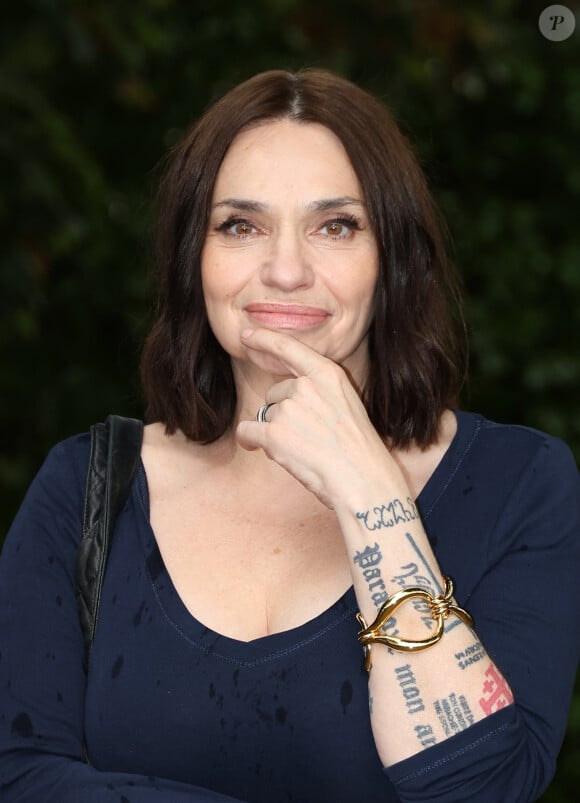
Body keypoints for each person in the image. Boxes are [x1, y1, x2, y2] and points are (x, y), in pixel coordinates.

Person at [0, 68, 579, 803]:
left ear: (394, 259)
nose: (285, 269)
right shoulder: (87, 486)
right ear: (193, 259)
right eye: (240, 225)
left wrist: (371, 492)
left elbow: (483, 787)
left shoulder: (520, 482)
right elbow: (19, 774)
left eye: (335, 225)